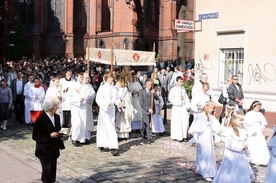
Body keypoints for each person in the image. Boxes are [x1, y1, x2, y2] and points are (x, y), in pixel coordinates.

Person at [213, 110, 255, 183]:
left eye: (242, 120)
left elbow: (244, 139)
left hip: (241, 155)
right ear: (234, 119)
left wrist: (245, 145)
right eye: (240, 120)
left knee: (241, 170)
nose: (242, 122)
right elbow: (229, 144)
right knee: (230, 170)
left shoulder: (242, 129)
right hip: (232, 155)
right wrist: (241, 146)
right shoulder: (230, 130)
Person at [32, 96, 65, 183]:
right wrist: (49, 136)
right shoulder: (41, 119)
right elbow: (35, 136)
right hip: (44, 150)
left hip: (54, 149)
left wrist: (61, 134)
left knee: (52, 172)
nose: (57, 107)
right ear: (50, 106)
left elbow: (57, 129)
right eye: (55, 105)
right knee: (47, 172)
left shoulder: (57, 117)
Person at [188, 101, 220, 182]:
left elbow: (216, 127)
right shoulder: (200, 116)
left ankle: (206, 171)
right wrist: (195, 139)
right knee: (203, 153)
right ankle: (205, 172)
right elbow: (196, 128)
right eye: (211, 108)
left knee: (209, 153)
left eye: (213, 108)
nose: (212, 109)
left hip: (209, 137)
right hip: (202, 137)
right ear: (206, 107)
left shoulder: (211, 117)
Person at [95, 72, 120, 156]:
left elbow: (116, 98)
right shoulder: (102, 88)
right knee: (107, 127)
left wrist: (118, 103)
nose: (112, 79)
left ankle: (107, 144)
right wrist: (106, 104)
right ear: (106, 78)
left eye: (112, 77)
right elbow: (98, 99)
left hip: (112, 110)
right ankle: (113, 147)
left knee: (110, 126)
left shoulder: (114, 88)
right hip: (104, 110)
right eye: (110, 77)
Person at [244, 100, 270, 166]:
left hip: (259, 130)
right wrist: (250, 132)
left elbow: (263, 123)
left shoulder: (260, 114)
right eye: (257, 108)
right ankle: (252, 159)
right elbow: (246, 124)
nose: (258, 109)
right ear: (253, 106)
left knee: (260, 145)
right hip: (252, 130)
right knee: (252, 144)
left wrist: (263, 127)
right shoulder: (249, 114)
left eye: (259, 108)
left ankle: (261, 160)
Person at [168, 76, 190, 141]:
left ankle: (183, 135)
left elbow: (186, 98)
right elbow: (170, 98)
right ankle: (177, 136)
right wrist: (178, 99)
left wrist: (188, 105)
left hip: (182, 107)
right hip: (176, 107)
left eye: (182, 82)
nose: (181, 83)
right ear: (177, 81)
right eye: (180, 82)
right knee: (177, 122)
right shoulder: (173, 89)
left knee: (184, 121)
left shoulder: (183, 89)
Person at [139, 79, 159, 144]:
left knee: (147, 124)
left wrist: (154, 93)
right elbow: (141, 102)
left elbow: (157, 98)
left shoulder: (152, 91)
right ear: (146, 85)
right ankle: (149, 137)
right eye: (149, 84)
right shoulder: (142, 92)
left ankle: (143, 133)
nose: (150, 86)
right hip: (145, 110)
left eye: (151, 84)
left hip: (152, 110)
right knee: (148, 124)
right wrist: (148, 109)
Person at [82, 72, 96, 143]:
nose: (88, 79)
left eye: (88, 78)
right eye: (86, 78)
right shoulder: (80, 85)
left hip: (88, 105)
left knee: (87, 121)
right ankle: (82, 137)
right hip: (82, 106)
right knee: (82, 121)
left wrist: (90, 98)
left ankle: (87, 137)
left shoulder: (90, 85)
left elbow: (93, 94)